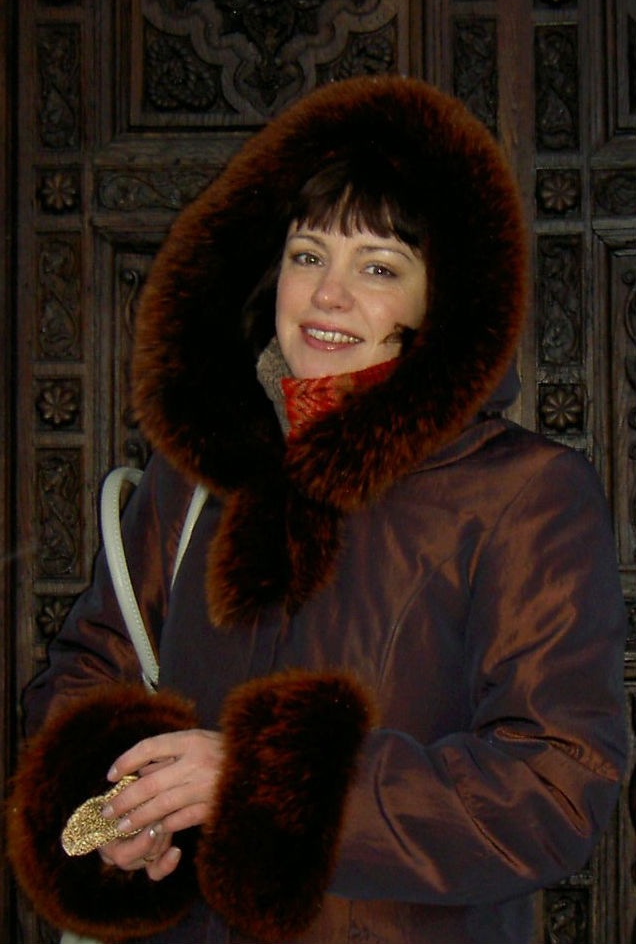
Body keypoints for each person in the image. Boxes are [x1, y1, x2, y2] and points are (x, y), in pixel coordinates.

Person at [8, 75, 627, 944]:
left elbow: (555, 786)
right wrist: (123, 809)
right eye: (308, 255)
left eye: (378, 268)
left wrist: (265, 788)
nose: (329, 295)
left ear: (440, 303)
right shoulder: (200, 472)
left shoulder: (526, 494)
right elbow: (88, 672)